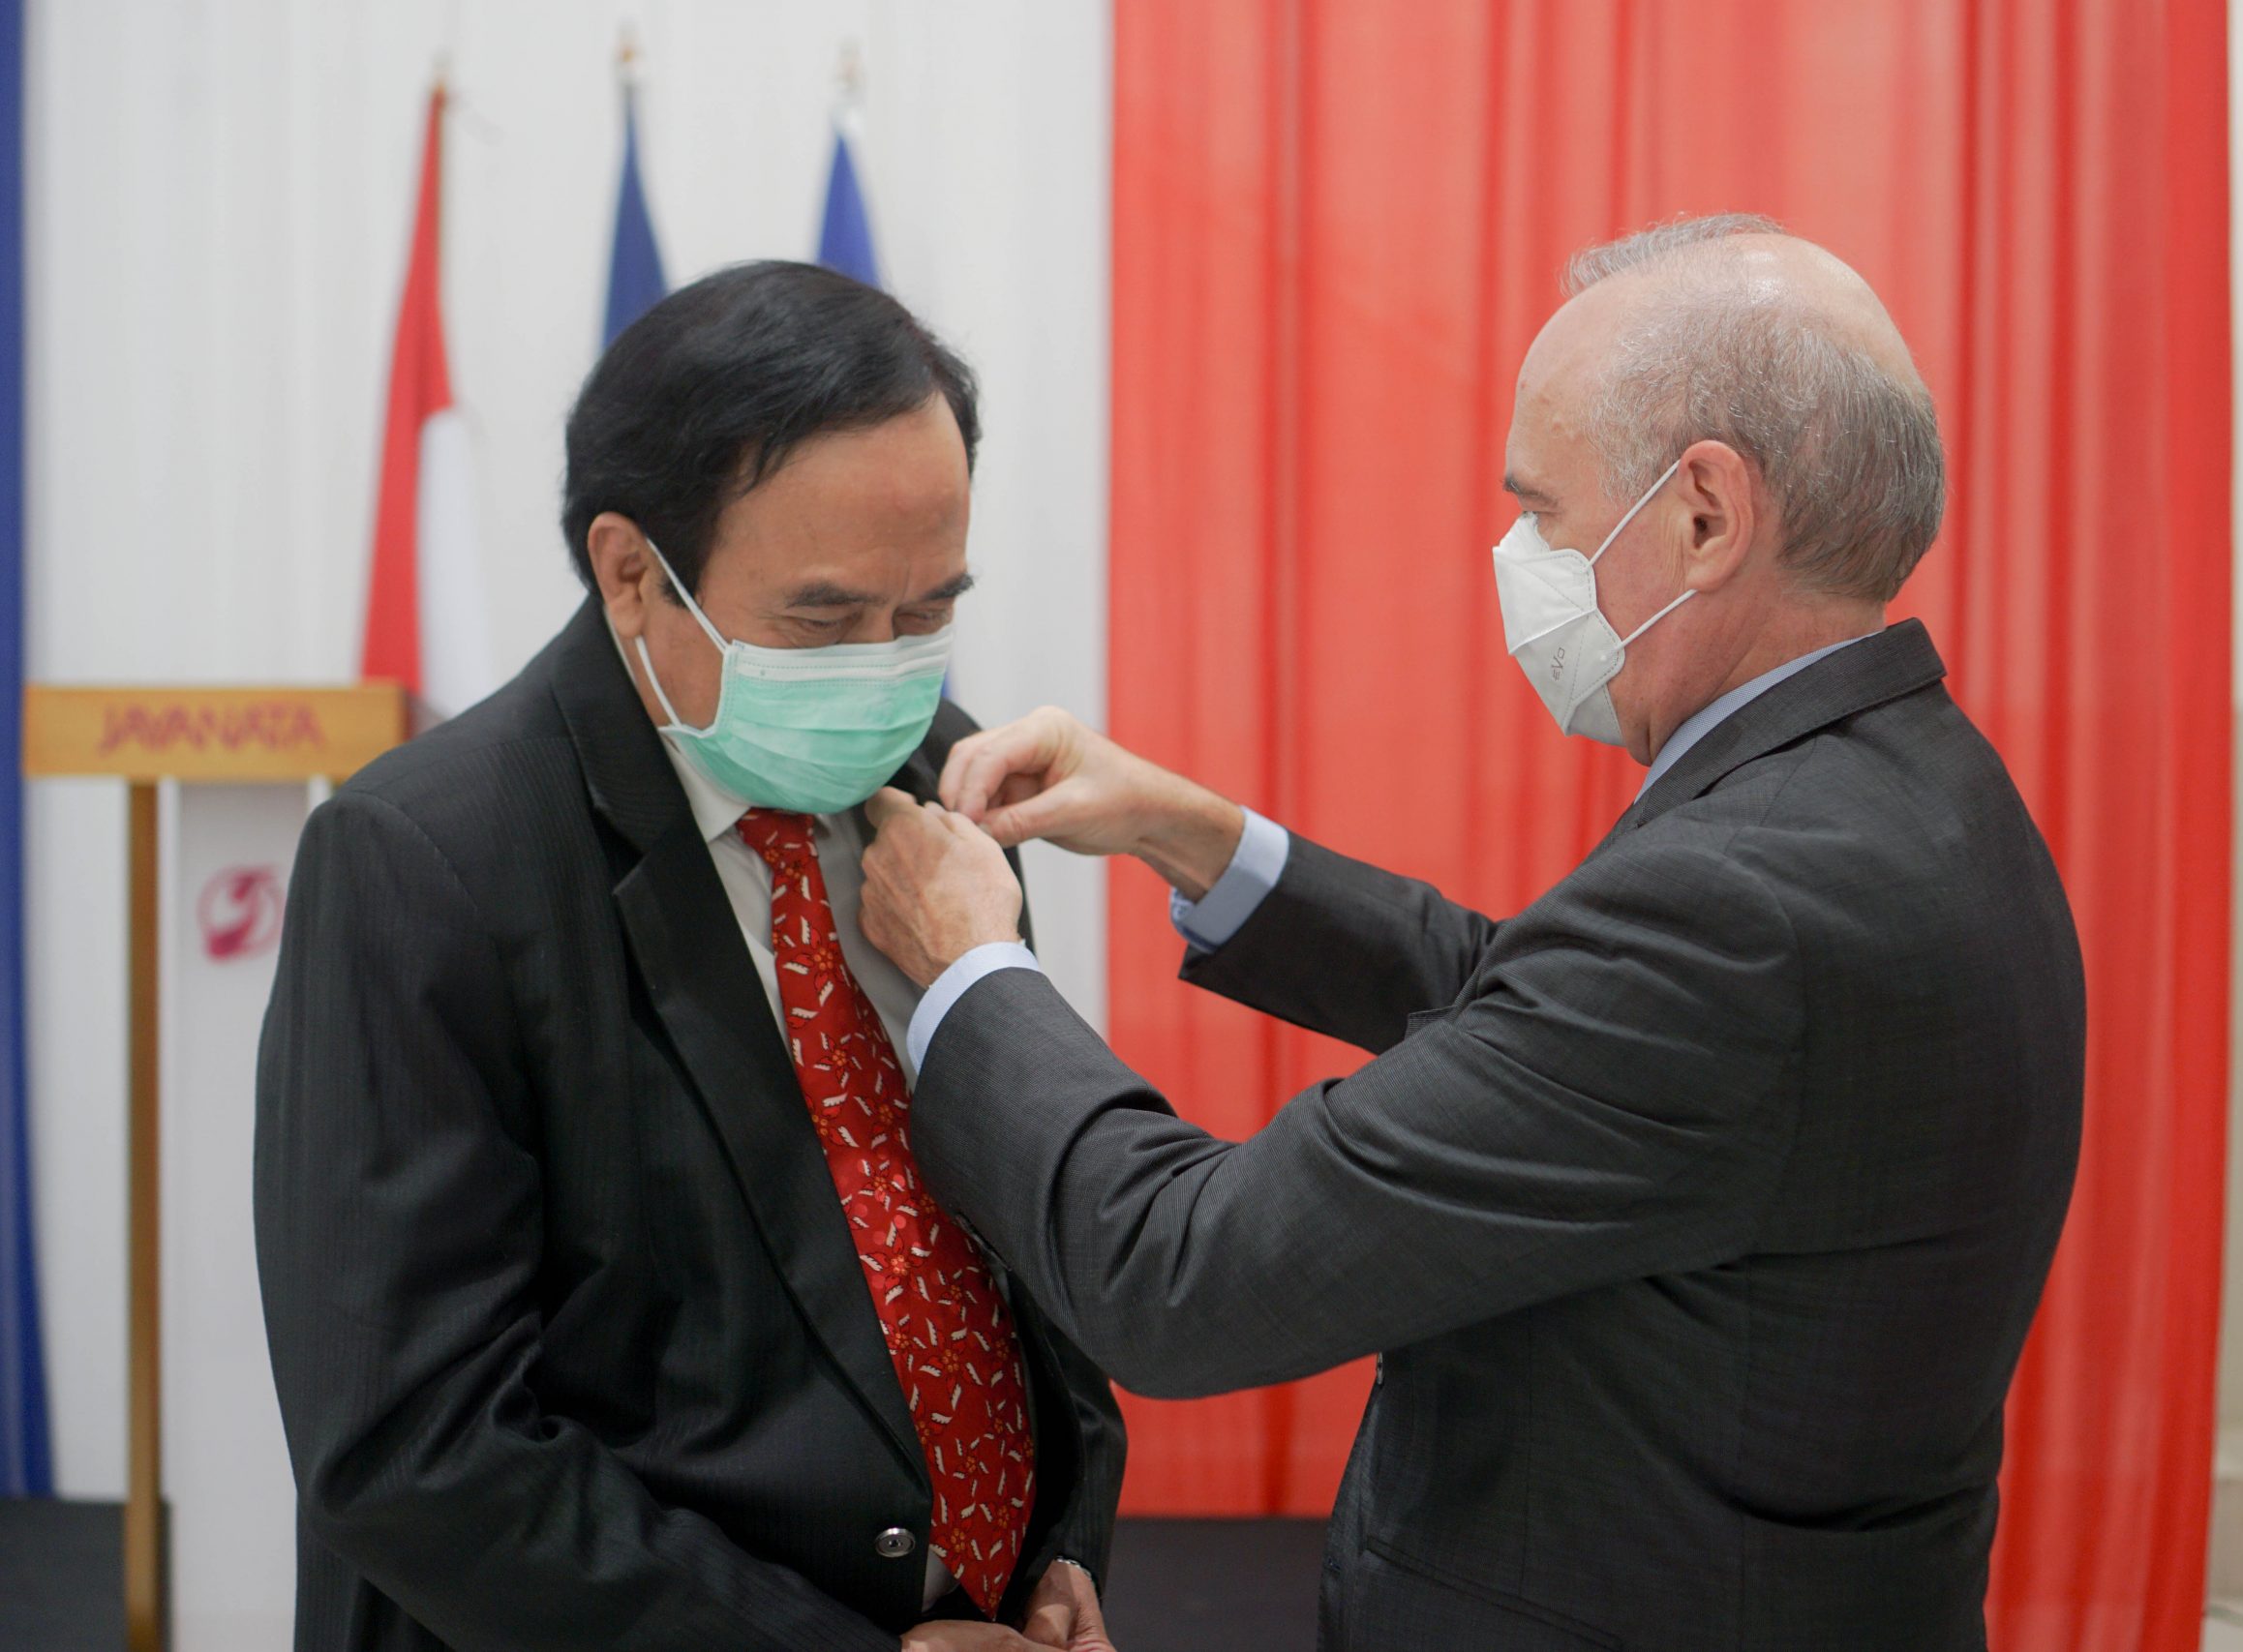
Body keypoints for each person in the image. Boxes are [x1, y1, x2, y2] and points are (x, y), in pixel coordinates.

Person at [856, 216, 2085, 1650]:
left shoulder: (1744, 912)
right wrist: (1189, 832)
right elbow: (1547, 1018)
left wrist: (973, 969)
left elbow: (1179, 1273)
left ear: (1704, 516)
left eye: (1546, 514)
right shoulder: (1908, 784)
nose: (1518, 557)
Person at [256, 261, 1123, 1652]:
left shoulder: (939, 771)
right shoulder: (427, 863)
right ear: (631, 573)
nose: (886, 668)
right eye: (824, 620)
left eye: (927, 609)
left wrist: (1061, 1535)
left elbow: (997, 1227)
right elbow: (414, 1452)